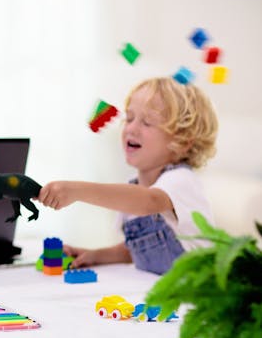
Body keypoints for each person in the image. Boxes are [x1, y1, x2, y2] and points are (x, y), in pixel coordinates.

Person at [37, 77, 218, 275]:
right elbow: (134, 250)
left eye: (147, 122)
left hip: (201, 294)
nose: (131, 128)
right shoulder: (131, 191)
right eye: (129, 118)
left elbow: (148, 202)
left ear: (183, 142)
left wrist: (77, 191)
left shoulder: (182, 180)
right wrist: (94, 255)